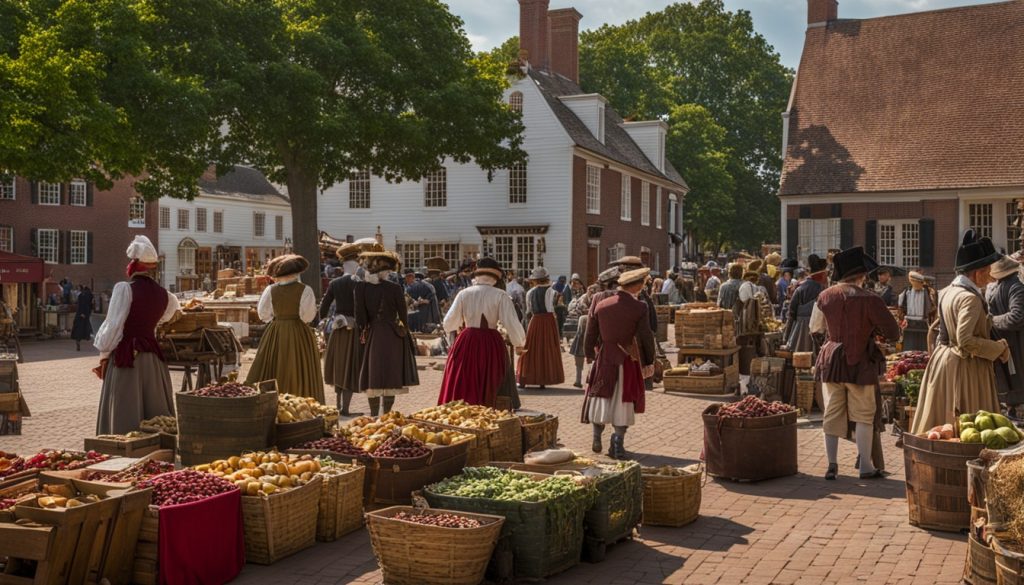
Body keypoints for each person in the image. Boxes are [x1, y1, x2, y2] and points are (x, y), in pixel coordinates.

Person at [810, 246, 900, 480]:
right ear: (861, 276)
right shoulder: (871, 299)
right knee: (863, 414)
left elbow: (815, 329)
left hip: (831, 360)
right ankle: (865, 466)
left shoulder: (824, 296)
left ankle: (831, 465)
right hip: (860, 361)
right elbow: (893, 332)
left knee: (832, 413)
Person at [912, 230, 1009, 434]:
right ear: (977, 272)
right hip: (966, 366)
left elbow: (943, 333)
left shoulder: (947, 291)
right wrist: (998, 349)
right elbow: (965, 340)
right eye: (988, 269)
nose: (991, 275)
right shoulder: (970, 299)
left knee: (942, 420)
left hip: (944, 361)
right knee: (970, 424)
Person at [94, 236, 179, 434]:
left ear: (133, 265)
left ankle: (122, 446)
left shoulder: (124, 289)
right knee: (154, 406)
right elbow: (163, 319)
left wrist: (104, 355)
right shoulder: (167, 296)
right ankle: (157, 445)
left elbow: (114, 325)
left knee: (125, 408)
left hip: (127, 358)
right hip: (153, 360)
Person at [584, 268, 657, 459]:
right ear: (638, 285)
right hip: (626, 358)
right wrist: (650, 360)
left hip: (605, 357)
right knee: (623, 401)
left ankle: (596, 436)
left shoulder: (601, 304)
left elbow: (590, 332)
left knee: (600, 395)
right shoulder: (640, 307)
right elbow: (646, 336)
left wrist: (588, 353)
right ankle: (617, 444)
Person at [438, 258, 526, 407]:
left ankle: (460, 412)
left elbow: (448, 323)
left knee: (463, 378)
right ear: (495, 277)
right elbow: (511, 322)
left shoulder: (464, 293)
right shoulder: (500, 295)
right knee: (490, 379)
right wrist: (519, 343)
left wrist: (462, 325)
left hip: (466, 341)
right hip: (491, 343)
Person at [245, 254, 325, 402]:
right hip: (298, 332)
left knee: (273, 363)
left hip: (275, 331)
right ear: (296, 273)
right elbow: (307, 317)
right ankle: (300, 398)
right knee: (299, 366)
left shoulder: (270, 290)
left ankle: (269, 401)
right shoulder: (305, 290)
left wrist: (278, 317)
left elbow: (263, 314)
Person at [355, 250, 419, 416]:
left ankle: (374, 414)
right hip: (393, 334)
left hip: (373, 334)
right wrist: (405, 331)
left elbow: (360, 317)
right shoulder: (395, 288)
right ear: (386, 271)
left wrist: (364, 330)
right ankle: (387, 414)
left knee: (372, 374)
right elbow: (403, 315)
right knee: (391, 373)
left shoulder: (361, 287)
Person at [320, 242, 373, 415]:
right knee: (350, 367)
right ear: (356, 263)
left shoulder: (335, 283)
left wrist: (323, 321)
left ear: (343, 264)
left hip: (337, 328)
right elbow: (365, 308)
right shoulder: (360, 283)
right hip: (355, 329)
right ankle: (345, 408)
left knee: (338, 366)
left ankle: (337, 406)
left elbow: (324, 306)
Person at [987, 255, 1024, 418]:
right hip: (1002, 346)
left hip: (1017, 346)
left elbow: (1016, 317)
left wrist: (990, 321)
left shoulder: (1016, 287)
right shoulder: (1000, 286)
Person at [517, 267, 565, 388]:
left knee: (531, 348)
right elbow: (554, 308)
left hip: (536, 320)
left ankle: (525, 378)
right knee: (547, 349)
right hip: (549, 321)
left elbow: (528, 311)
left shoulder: (530, 293)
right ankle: (543, 380)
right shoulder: (552, 292)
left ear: (535, 280)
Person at [784, 254, 828, 352]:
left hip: (800, 336)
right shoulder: (824, 290)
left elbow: (791, 315)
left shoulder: (799, 289)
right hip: (819, 334)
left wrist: (786, 338)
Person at [568, 284, 600, 388]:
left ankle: (592, 378)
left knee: (595, 356)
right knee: (579, 357)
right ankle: (578, 379)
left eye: (595, 290)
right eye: (591, 290)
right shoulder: (583, 298)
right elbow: (578, 309)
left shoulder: (600, 298)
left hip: (595, 330)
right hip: (583, 330)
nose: (592, 292)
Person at [896, 271, 933, 352]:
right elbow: (900, 306)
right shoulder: (906, 291)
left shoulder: (927, 292)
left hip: (923, 323)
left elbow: (932, 307)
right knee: (909, 348)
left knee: (923, 348)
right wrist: (902, 318)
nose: (920, 284)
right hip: (909, 323)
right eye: (917, 282)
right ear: (912, 281)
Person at [404, 269, 439, 333]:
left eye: (406, 278)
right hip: (426, 316)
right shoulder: (423, 285)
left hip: (425, 316)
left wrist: (423, 301)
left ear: (411, 277)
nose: (406, 280)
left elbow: (431, 293)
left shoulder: (416, 286)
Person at [71, 286, 94, 351]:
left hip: (80, 315)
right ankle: (82, 340)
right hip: (84, 315)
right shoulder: (88, 295)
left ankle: (78, 342)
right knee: (84, 329)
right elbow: (88, 305)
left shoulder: (82, 295)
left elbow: (80, 305)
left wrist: (81, 313)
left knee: (79, 329)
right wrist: (85, 313)